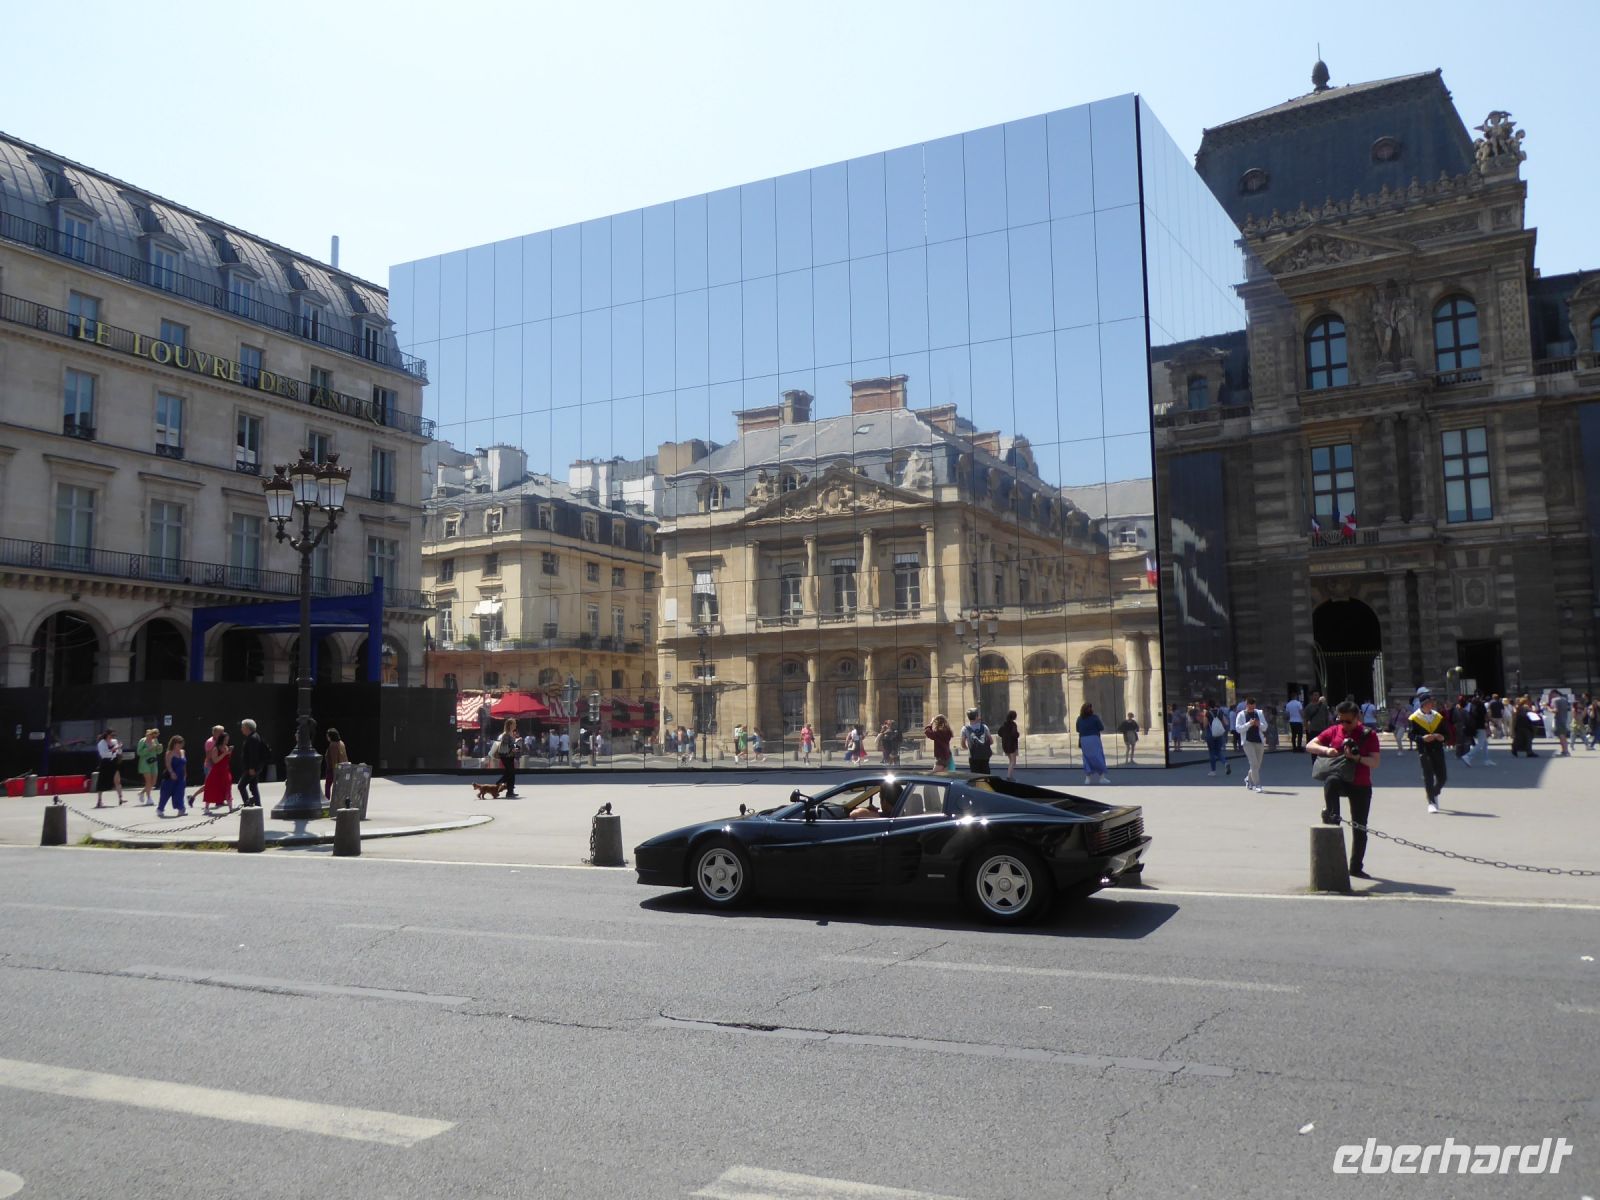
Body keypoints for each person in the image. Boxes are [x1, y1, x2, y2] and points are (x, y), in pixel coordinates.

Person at [1309, 700, 1383, 879]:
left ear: (1357, 718)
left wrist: (1357, 758)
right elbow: (1310, 745)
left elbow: (1375, 762)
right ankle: (1333, 814)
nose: (1344, 725)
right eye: (1340, 720)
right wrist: (1327, 751)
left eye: (1348, 721)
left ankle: (1356, 867)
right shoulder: (1334, 731)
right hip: (1341, 780)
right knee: (1331, 781)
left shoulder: (1368, 734)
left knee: (1360, 827)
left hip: (1361, 784)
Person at [1407, 693, 1451, 813]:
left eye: (1433, 702)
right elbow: (1411, 735)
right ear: (1424, 704)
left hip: (1438, 749)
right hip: (1424, 750)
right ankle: (1431, 801)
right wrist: (1422, 738)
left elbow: (1446, 733)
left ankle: (1434, 792)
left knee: (1442, 777)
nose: (1433, 704)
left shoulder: (1438, 716)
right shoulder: (1414, 718)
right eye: (1430, 702)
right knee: (1428, 776)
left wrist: (1442, 737)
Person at [1235, 697, 1266, 792]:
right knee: (1254, 763)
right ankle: (1257, 784)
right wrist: (1248, 724)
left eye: (1254, 707)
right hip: (1248, 742)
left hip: (1259, 741)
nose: (1252, 709)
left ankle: (1248, 779)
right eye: (1250, 708)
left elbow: (1265, 727)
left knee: (1257, 765)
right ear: (1246, 705)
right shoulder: (1241, 715)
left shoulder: (1259, 713)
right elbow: (1238, 729)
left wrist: (1258, 724)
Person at [235, 718, 267, 808]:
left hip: (252, 768)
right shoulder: (254, 736)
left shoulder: (252, 738)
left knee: (241, 786)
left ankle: (247, 804)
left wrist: (252, 768)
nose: (241, 729)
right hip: (254, 767)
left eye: (242, 727)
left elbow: (254, 755)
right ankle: (257, 804)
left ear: (247, 728)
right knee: (253, 786)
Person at [1075, 703, 1109, 784]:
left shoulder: (1079, 718)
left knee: (1086, 758)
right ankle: (1102, 778)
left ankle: (1088, 778)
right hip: (1094, 738)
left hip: (1084, 739)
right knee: (1098, 757)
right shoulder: (1094, 718)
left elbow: (1078, 729)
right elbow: (1101, 727)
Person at [201, 730, 234, 813]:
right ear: (222, 739)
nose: (227, 741)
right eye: (225, 739)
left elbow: (227, 759)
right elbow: (215, 760)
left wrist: (229, 752)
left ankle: (230, 808)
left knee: (227, 789)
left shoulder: (226, 747)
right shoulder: (215, 748)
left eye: (228, 739)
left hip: (225, 771)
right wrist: (225, 753)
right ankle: (206, 807)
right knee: (212, 788)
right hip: (216, 772)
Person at [156, 735, 187, 817]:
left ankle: (181, 809)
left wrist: (185, 773)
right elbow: (168, 764)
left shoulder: (183, 752)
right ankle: (160, 809)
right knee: (166, 793)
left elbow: (184, 764)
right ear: (174, 744)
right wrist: (172, 772)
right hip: (170, 777)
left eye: (181, 743)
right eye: (179, 743)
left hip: (180, 777)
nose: (180, 745)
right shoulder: (169, 753)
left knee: (180, 793)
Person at [94, 729, 124, 808]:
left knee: (117, 780)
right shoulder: (101, 743)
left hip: (113, 762)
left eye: (114, 736)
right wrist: (114, 749)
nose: (113, 737)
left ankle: (120, 798)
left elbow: (119, 751)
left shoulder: (114, 741)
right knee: (102, 781)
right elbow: (104, 754)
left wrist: (119, 750)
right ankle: (99, 801)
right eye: (111, 735)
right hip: (105, 763)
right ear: (107, 735)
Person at [961, 708, 993, 776]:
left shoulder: (965, 729)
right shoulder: (984, 727)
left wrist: (967, 747)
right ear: (976, 717)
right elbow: (991, 741)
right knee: (986, 775)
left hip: (973, 756)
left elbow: (963, 744)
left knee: (975, 776)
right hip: (984, 756)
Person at [135, 728, 162, 806]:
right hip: (145, 762)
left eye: (155, 736)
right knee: (148, 781)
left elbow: (158, 752)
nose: (154, 737)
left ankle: (141, 792)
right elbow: (139, 752)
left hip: (153, 762)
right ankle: (149, 798)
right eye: (153, 735)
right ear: (149, 734)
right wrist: (148, 749)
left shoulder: (155, 740)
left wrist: (159, 748)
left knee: (153, 782)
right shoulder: (142, 741)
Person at [494, 720, 521, 796]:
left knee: (510, 773)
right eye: (514, 724)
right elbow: (505, 745)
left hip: (510, 755)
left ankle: (510, 791)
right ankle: (499, 783)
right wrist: (514, 747)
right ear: (510, 725)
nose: (516, 725)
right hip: (505, 756)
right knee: (510, 773)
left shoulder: (511, 734)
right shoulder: (505, 734)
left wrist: (516, 745)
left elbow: (512, 744)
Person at [1203, 704, 1229, 777]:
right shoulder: (1220, 712)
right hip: (1219, 734)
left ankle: (1213, 771)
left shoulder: (1207, 713)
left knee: (1212, 752)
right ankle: (1225, 763)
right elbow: (1226, 722)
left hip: (1210, 734)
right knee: (1218, 751)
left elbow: (1205, 725)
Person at [323, 728, 348, 801]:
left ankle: (327, 801)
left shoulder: (333, 745)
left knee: (328, 786)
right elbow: (345, 757)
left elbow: (334, 760)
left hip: (333, 769)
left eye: (327, 735)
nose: (327, 737)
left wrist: (335, 773)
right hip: (342, 768)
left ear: (331, 736)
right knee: (339, 787)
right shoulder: (341, 743)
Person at [997, 710, 1021, 779]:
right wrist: (1018, 734)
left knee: (1011, 761)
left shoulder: (1004, 724)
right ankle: (1009, 776)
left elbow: (999, 732)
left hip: (1005, 744)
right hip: (1011, 745)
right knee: (1013, 762)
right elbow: (1014, 735)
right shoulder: (1013, 724)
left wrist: (1005, 736)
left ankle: (1010, 775)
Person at [1551, 689, 1572, 756]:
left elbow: (1555, 710)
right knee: (1563, 735)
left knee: (1561, 736)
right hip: (1564, 719)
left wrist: (1547, 708)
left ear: (1554, 693)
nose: (1551, 696)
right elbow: (1568, 708)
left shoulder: (1555, 700)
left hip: (1558, 719)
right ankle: (1564, 750)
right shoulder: (1564, 699)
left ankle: (1565, 751)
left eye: (1551, 695)